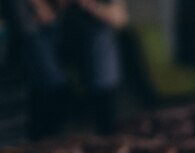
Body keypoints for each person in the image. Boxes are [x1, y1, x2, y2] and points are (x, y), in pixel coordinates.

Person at [4, 0, 128, 139]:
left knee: (101, 37)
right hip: (40, 34)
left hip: (79, 37)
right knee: (30, 33)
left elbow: (119, 18)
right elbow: (45, 17)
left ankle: (107, 130)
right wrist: (39, 5)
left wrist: (90, 5)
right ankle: (47, 131)